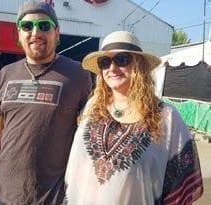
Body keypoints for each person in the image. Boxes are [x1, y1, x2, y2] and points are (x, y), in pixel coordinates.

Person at [64, 31, 204, 204]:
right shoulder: (93, 106)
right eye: (105, 62)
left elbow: (182, 181)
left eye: (122, 59)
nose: (112, 69)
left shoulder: (166, 116)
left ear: (139, 65)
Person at [0, 0, 92, 205]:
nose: (35, 32)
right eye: (27, 26)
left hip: (53, 196)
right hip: (4, 193)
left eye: (44, 26)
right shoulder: (6, 73)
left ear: (57, 33)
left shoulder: (78, 74)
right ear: (19, 34)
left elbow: (88, 132)